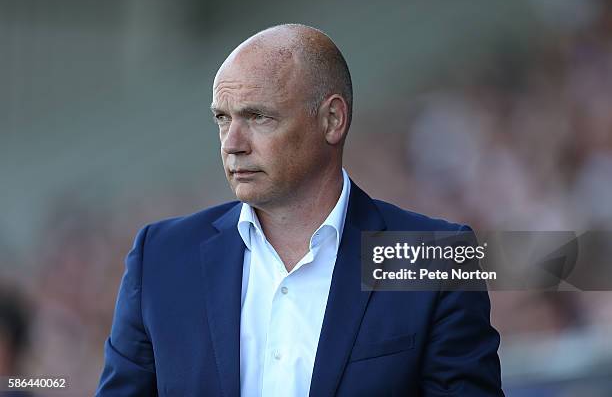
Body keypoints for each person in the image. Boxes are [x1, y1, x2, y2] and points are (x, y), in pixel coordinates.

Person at [96, 23, 503, 396]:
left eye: (257, 116)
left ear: (332, 120)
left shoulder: (432, 258)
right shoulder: (162, 256)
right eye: (223, 119)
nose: (232, 143)